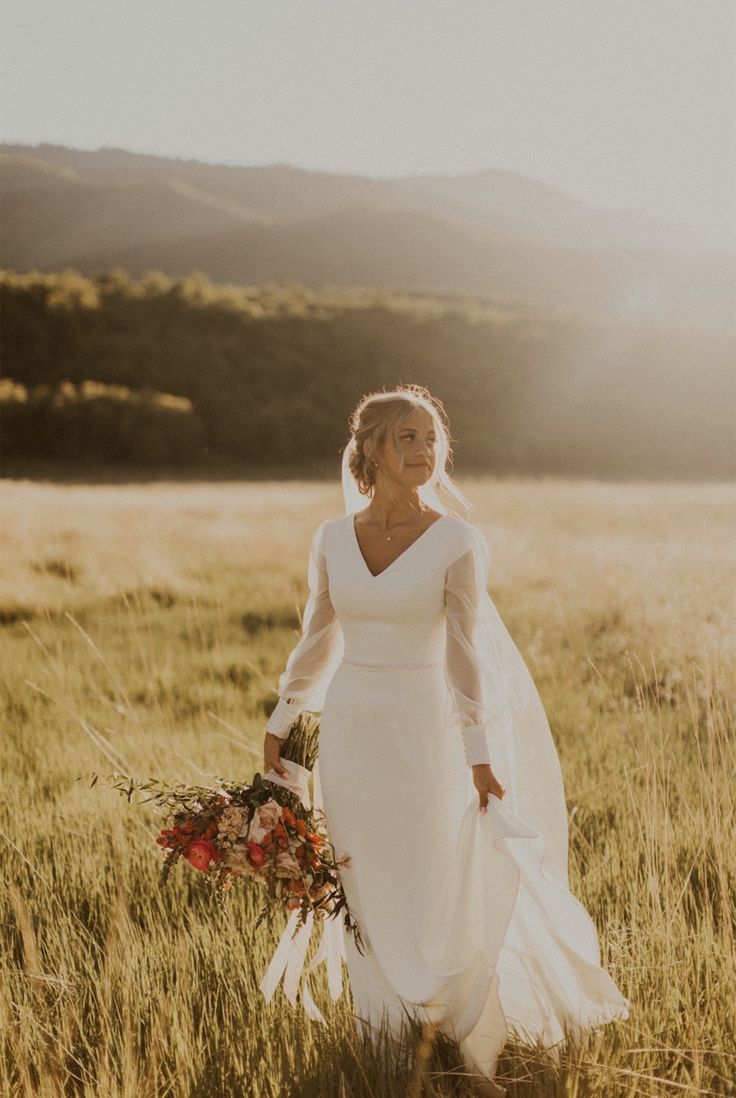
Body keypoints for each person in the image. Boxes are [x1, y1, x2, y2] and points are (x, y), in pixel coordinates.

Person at [261, 384, 630, 1092]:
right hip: (354, 732)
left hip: (426, 732)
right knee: (362, 881)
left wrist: (479, 754)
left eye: (432, 439)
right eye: (407, 437)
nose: (424, 451)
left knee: (435, 881)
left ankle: (464, 1038)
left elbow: (465, 652)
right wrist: (283, 722)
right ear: (370, 449)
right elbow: (317, 638)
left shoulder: (458, 541)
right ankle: (390, 1042)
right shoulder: (332, 538)